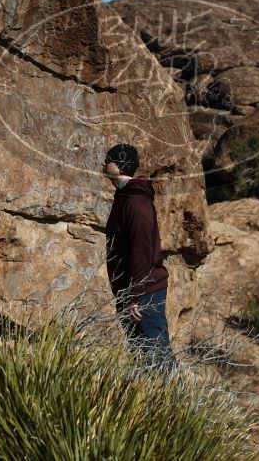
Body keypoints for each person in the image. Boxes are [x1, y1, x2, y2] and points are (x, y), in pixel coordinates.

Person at [102, 143, 176, 370]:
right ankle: (155, 404)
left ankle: (174, 404)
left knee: (158, 357)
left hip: (144, 293)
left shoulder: (136, 201)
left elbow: (141, 249)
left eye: (108, 160)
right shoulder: (126, 195)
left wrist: (136, 294)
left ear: (119, 164)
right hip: (133, 291)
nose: (104, 165)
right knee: (143, 359)